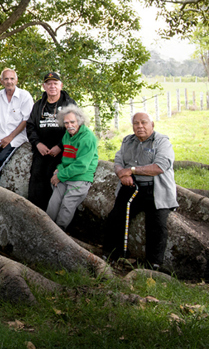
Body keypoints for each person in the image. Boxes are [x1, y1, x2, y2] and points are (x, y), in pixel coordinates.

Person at [102, 112, 178, 268]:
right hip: (131, 187)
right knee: (115, 217)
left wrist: (131, 170)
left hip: (156, 190)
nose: (140, 126)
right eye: (136, 123)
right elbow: (118, 161)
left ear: (152, 124)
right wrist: (121, 174)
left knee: (157, 224)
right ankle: (110, 255)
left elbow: (159, 167)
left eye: (144, 123)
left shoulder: (162, 142)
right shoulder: (128, 141)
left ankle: (154, 264)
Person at [25, 71, 77, 210]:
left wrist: (60, 146)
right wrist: (37, 144)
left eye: (55, 83)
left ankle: (51, 214)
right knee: (36, 177)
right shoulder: (38, 105)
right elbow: (30, 127)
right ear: (44, 86)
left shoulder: (69, 104)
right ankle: (35, 212)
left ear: (61, 85)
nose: (52, 86)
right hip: (41, 149)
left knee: (52, 177)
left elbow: (74, 128)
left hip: (62, 150)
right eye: (49, 84)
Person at [45, 105, 98, 231]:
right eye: (66, 123)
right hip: (66, 174)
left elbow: (81, 165)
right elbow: (66, 159)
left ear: (79, 121)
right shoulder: (67, 135)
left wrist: (60, 175)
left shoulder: (87, 138)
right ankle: (46, 229)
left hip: (81, 176)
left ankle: (58, 233)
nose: (69, 126)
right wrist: (59, 169)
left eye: (72, 122)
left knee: (67, 204)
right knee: (53, 202)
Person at [0, 68, 34, 184]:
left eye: (12, 78)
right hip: (2, 133)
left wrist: (10, 137)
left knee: (1, 159)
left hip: (18, 135)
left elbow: (26, 120)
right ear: (2, 81)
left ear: (16, 81)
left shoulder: (25, 96)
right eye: (6, 79)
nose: (9, 81)